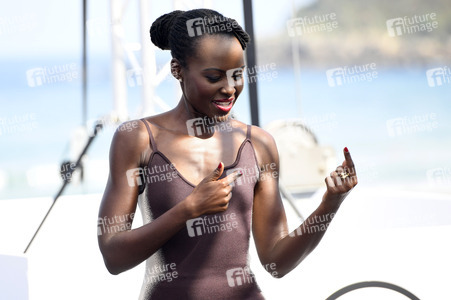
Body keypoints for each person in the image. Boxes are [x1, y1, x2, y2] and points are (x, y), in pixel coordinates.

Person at [97, 8, 358, 300]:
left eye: (237, 75)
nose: (229, 88)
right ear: (177, 70)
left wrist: (330, 204)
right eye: (213, 77)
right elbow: (113, 256)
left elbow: (276, 262)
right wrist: (189, 209)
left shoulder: (258, 144)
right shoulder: (137, 138)